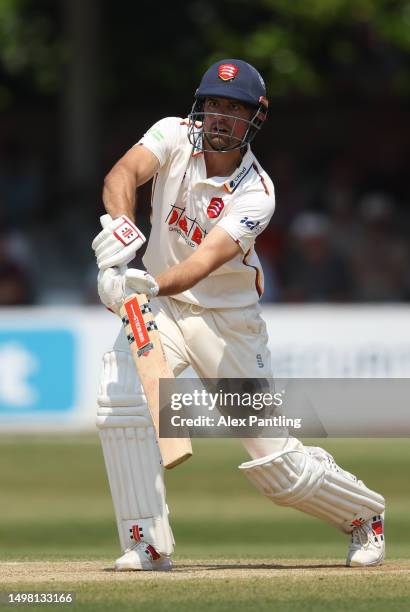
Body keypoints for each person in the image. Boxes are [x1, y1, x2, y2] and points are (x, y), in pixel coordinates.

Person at [92, 59, 385, 571]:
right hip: (161, 308)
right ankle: (147, 542)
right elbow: (123, 174)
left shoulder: (257, 192)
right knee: (120, 400)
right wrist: (120, 244)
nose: (219, 117)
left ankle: (364, 515)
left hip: (225, 324)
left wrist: (146, 282)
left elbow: (204, 263)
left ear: (256, 117)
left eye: (234, 108)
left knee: (277, 464)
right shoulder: (172, 134)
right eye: (212, 104)